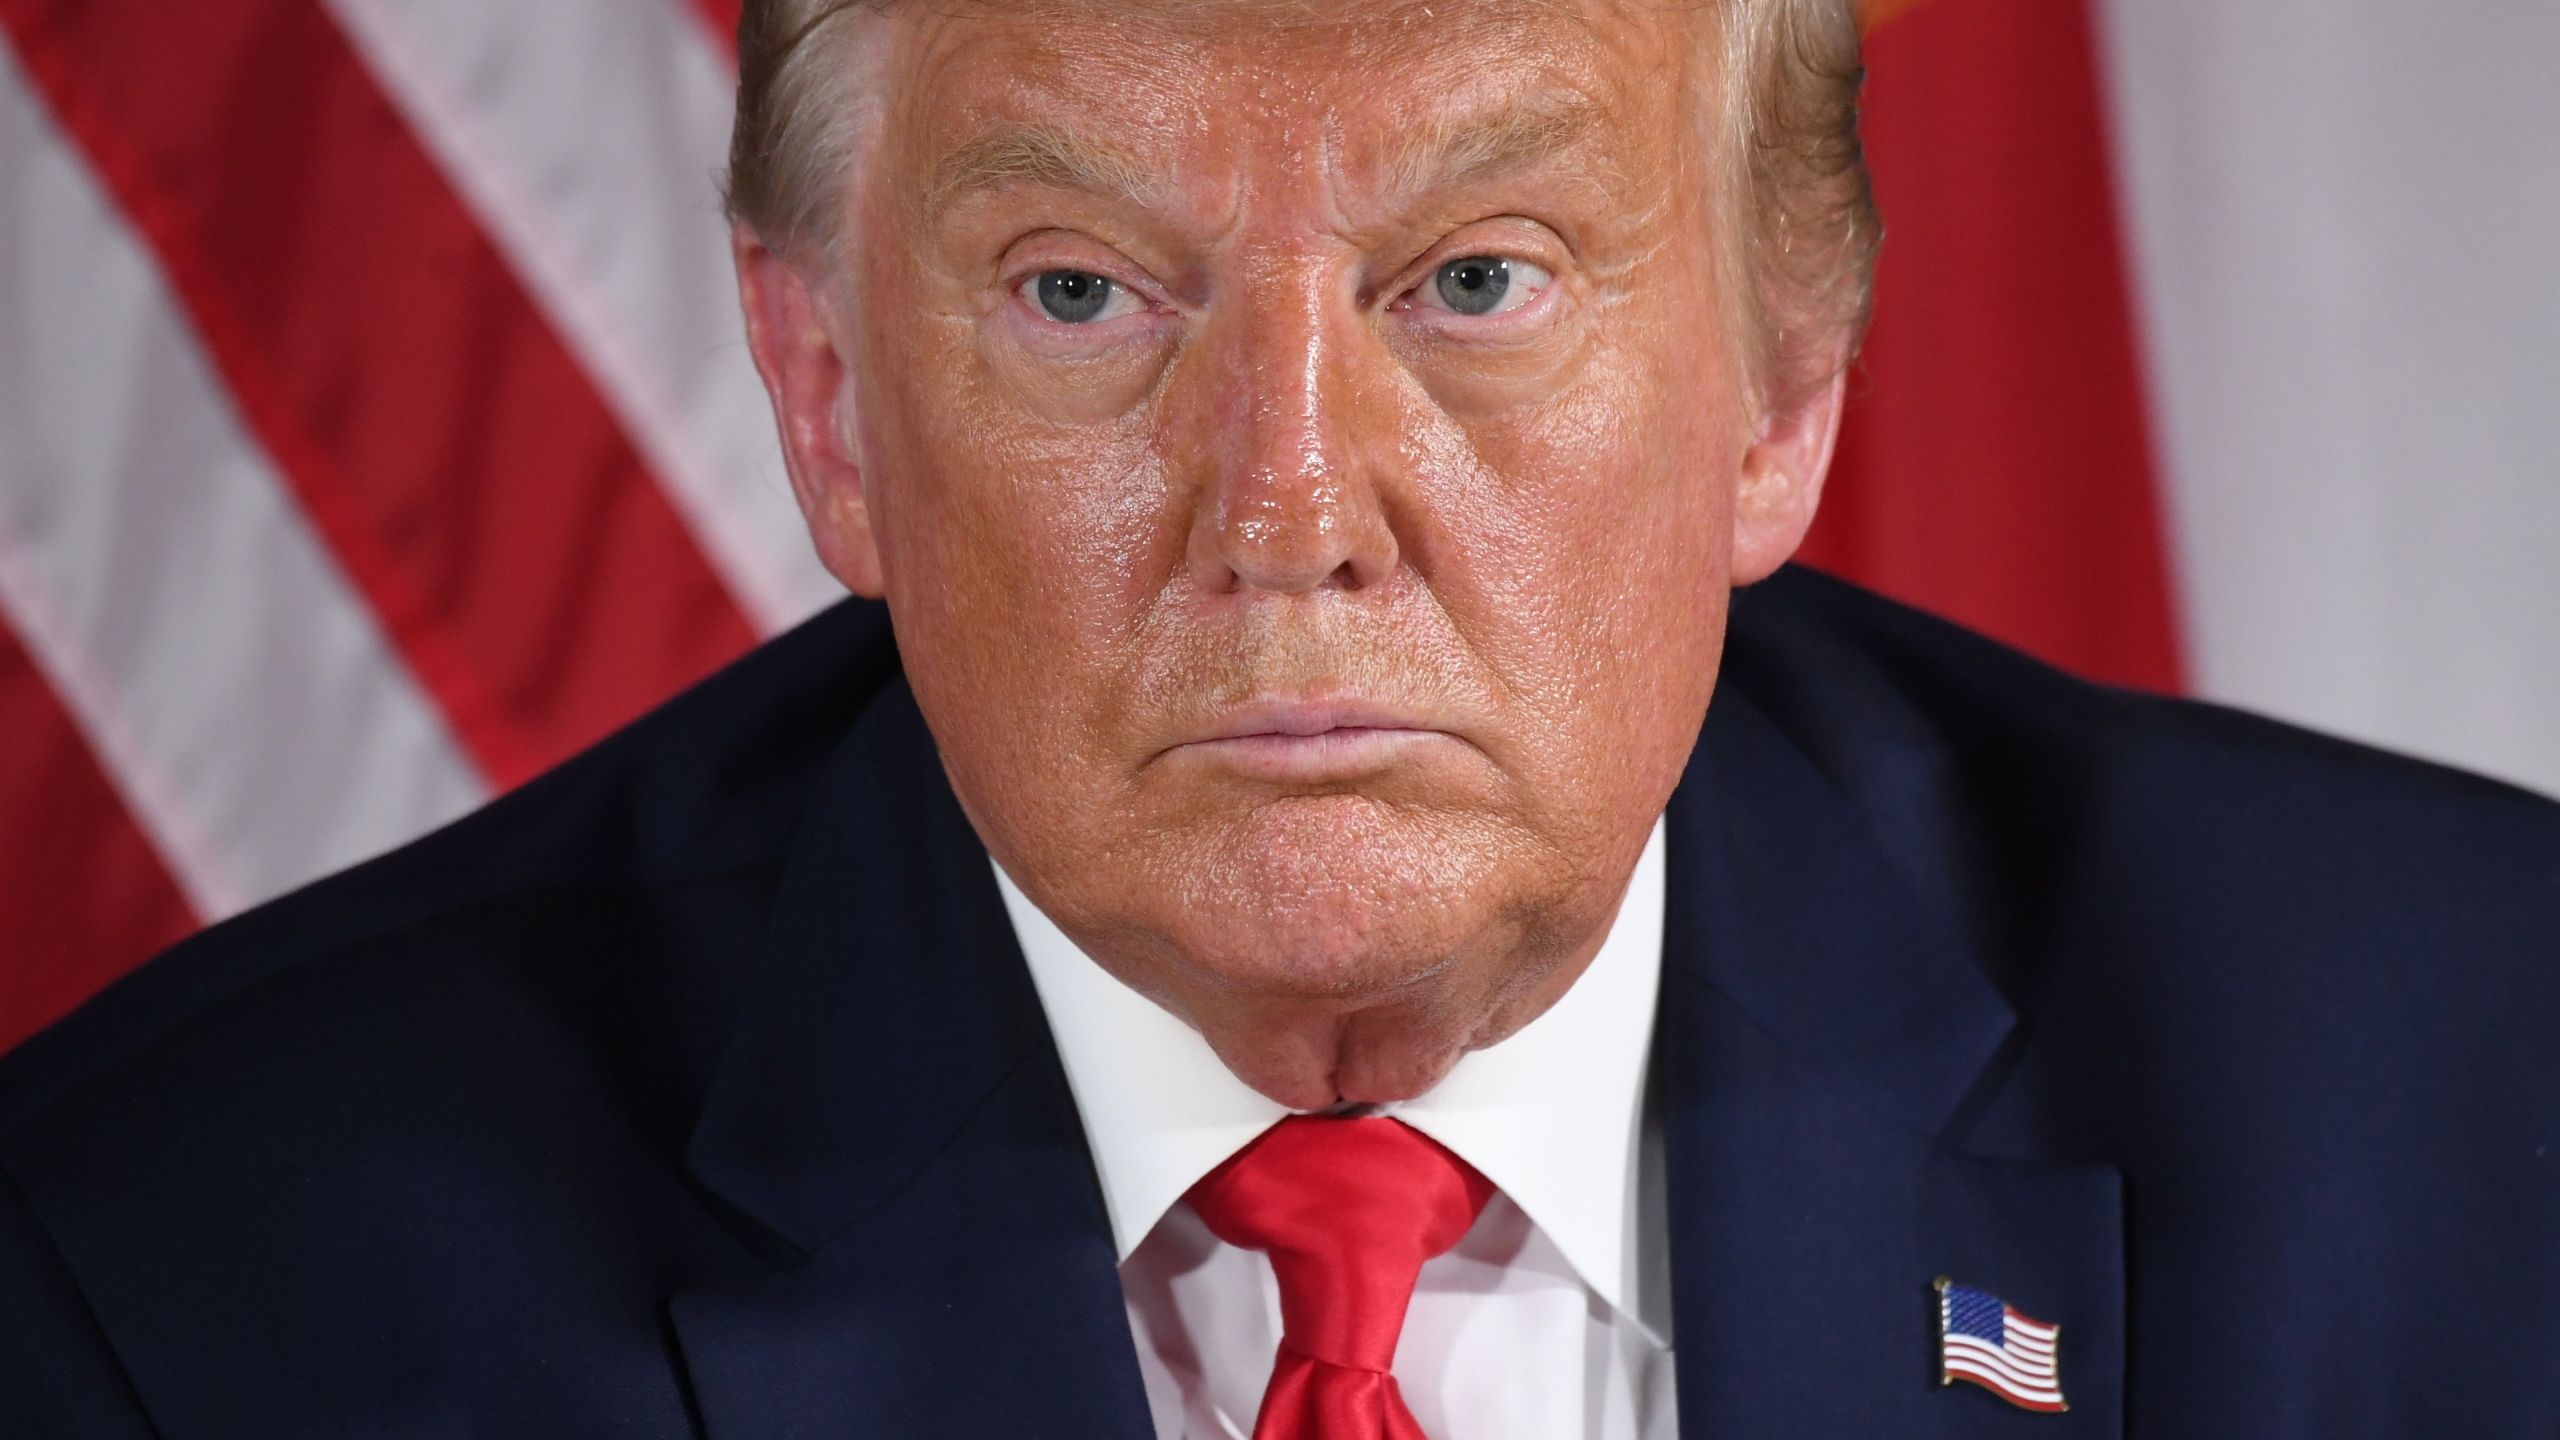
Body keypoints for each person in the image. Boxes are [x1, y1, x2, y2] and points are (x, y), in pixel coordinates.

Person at [3, 0, 2554, 1434]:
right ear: (824, 405)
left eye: (1475, 279)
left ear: (1781, 389)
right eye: (1083, 294)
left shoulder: (2471, 1109)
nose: (1291, 506)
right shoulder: (189, 1299)